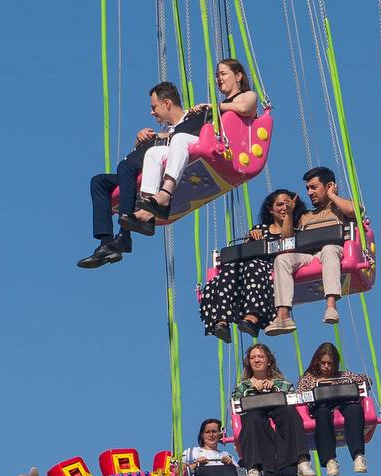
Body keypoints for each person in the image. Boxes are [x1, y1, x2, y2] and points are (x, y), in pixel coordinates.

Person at [126, 61, 258, 233]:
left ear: (239, 76)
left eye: (223, 74)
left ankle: (166, 194)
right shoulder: (217, 107)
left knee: (180, 139)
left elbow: (245, 108)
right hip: (205, 141)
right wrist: (156, 136)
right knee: (154, 153)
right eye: (217, 75)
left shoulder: (246, 96)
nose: (219, 79)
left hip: (226, 147)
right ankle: (147, 210)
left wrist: (213, 107)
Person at [79, 82, 181, 269]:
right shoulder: (164, 131)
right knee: (99, 181)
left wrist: (161, 137)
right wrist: (139, 141)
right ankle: (106, 241)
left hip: (166, 170)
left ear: (167, 103)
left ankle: (124, 237)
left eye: (154, 107)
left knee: (125, 166)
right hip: (145, 169)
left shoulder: (187, 122)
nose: (152, 113)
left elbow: (185, 144)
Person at [230, 344, 320, 476]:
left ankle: (302, 460)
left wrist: (274, 388)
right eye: (253, 357)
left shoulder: (281, 382)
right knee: (253, 417)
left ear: (268, 360)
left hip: (280, 437)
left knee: (289, 413)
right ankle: (255, 466)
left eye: (260, 356)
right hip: (257, 424)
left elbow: (292, 397)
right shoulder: (242, 386)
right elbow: (236, 405)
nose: (256, 359)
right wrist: (253, 389)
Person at [199, 189, 306, 340]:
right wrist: (251, 239)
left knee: (254, 266)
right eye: (280, 204)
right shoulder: (260, 229)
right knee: (230, 268)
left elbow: (286, 242)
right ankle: (221, 322)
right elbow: (245, 252)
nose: (283, 208)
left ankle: (252, 318)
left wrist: (289, 214)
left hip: (271, 266)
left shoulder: (296, 229)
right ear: (271, 209)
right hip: (250, 265)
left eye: (287, 204)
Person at [265, 166, 358, 336]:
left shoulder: (340, 207)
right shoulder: (305, 216)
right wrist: (290, 215)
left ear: (328, 185)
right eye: (307, 188)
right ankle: (283, 315)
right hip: (309, 256)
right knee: (281, 260)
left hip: (333, 251)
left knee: (329, 249)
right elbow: (287, 240)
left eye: (314, 187)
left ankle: (331, 306)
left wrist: (332, 196)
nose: (309, 192)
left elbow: (354, 211)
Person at [297, 342, 372, 476]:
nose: (326, 367)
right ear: (317, 361)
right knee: (322, 413)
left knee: (355, 409)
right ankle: (330, 460)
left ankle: (358, 455)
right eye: (323, 363)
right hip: (321, 406)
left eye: (330, 363)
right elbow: (300, 394)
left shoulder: (342, 376)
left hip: (343, 403)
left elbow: (366, 381)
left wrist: (347, 383)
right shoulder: (309, 378)